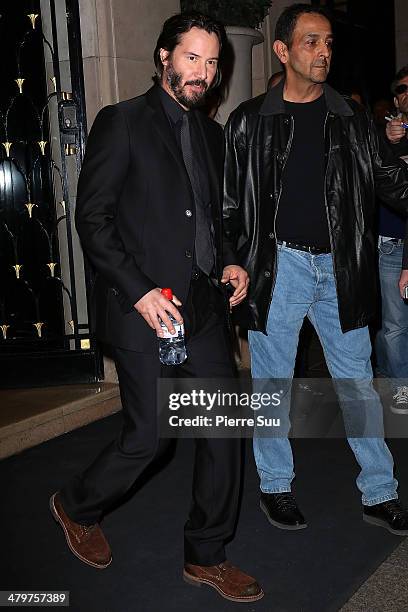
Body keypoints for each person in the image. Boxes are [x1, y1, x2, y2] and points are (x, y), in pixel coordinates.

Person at [49, 12, 263, 604]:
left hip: (201, 308)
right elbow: (94, 219)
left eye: (213, 62)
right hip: (145, 306)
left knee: (222, 431)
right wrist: (139, 290)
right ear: (163, 58)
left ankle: (206, 555)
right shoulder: (122, 122)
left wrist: (232, 261)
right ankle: (76, 503)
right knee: (150, 437)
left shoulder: (212, 135)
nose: (204, 72)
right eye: (192, 58)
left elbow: (216, 221)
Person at [223, 3, 408, 535]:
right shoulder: (249, 121)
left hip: (341, 268)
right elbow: (230, 205)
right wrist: (234, 259)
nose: (324, 51)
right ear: (281, 51)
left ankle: (380, 492)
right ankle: (275, 487)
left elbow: (393, 180)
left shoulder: (352, 122)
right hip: (279, 267)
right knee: (272, 384)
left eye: (328, 42)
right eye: (310, 42)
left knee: (356, 385)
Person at [375, 65, 408, 414]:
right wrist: (386, 140)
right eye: (401, 88)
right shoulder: (383, 134)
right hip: (391, 242)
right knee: (395, 322)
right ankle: (401, 389)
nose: (406, 93)